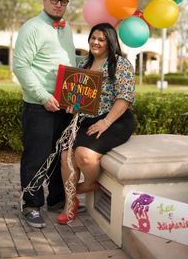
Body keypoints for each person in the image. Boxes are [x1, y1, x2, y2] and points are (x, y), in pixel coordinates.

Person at [13, 0, 81, 228]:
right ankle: (31, 205)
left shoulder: (67, 28)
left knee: (59, 157)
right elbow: (20, 67)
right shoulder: (32, 28)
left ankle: (55, 199)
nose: (58, 4)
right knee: (37, 157)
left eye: (63, 1)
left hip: (64, 104)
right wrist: (43, 96)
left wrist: (94, 61)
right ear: (44, 0)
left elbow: (68, 61)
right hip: (39, 105)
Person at [57, 23, 136, 224]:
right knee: (67, 155)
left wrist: (106, 122)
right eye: (93, 38)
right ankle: (70, 203)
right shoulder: (84, 63)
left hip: (115, 121)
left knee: (85, 156)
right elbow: (79, 96)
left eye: (101, 39)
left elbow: (124, 98)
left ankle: (89, 185)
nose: (96, 42)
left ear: (110, 42)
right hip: (87, 120)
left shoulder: (120, 63)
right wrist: (72, 105)